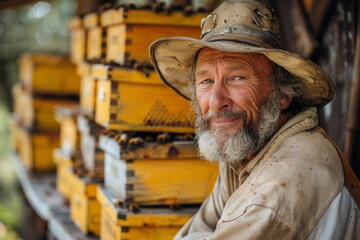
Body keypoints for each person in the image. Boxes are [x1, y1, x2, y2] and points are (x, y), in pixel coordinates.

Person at [149, 1, 360, 239]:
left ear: (282, 95)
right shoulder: (245, 150)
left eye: (237, 77)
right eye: (206, 81)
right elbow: (201, 227)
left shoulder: (290, 172)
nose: (216, 101)